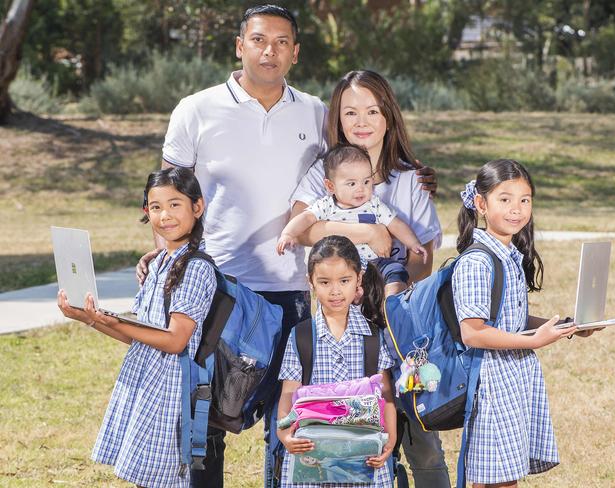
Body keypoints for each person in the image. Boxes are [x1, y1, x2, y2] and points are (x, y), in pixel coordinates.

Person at [136, 7, 437, 487]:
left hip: (296, 290)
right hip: (219, 287)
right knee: (208, 414)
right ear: (240, 45)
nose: (269, 50)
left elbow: (353, 163)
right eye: (258, 40)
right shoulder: (195, 109)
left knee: (291, 417)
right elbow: (170, 193)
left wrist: (411, 170)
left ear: (295, 53)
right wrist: (170, 255)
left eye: (281, 42)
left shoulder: (316, 112)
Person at [289, 70, 450, 486]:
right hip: (342, 324)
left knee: (419, 430)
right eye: (350, 112)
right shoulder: (321, 173)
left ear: (388, 116)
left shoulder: (411, 178)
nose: (362, 121)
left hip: (397, 321)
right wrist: (365, 233)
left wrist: (388, 294)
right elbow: (301, 230)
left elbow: (423, 258)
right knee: (350, 431)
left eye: (372, 111)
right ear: (337, 120)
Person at [57, 167, 217, 488]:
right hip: (145, 383)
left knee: (164, 480)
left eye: (175, 204)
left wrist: (112, 319)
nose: (165, 215)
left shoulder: (197, 268)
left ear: (196, 207)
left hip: (170, 393)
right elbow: (139, 337)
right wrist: (90, 317)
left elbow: (174, 341)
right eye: (156, 207)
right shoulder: (157, 264)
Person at [452, 158, 595, 487]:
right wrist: (534, 341)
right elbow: (473, 332)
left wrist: (563, 326)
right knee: (496, 480)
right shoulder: (477, 262)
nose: (516, 209)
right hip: (490, 384)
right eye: (505, 199)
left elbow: (508, 318)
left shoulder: (509, 255)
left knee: (506, 479)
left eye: (524, 200)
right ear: (481, 204)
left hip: (511, 381)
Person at [276, 235, 397, 488]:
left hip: (364, 459)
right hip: (312, 457)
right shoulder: (301, 336)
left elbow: (386, 394)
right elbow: (289, 392)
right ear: (310, 282)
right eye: (324, 282)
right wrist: (285, 435)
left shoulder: (373, 337)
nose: (335, 290)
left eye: (344, 281)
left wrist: (391, 439)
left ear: (358, 280)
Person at [277, 143, 428, 293]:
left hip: (374, 263)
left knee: (395, 270)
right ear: (330, 187)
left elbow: (396, 224)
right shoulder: (326, 205)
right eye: (352, 183)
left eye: (366, 181)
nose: (361, 188)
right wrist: (288, 233)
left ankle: (393, 302)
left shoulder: (374, 204)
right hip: (343, 266)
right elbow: (305, 218)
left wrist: (413, 243)